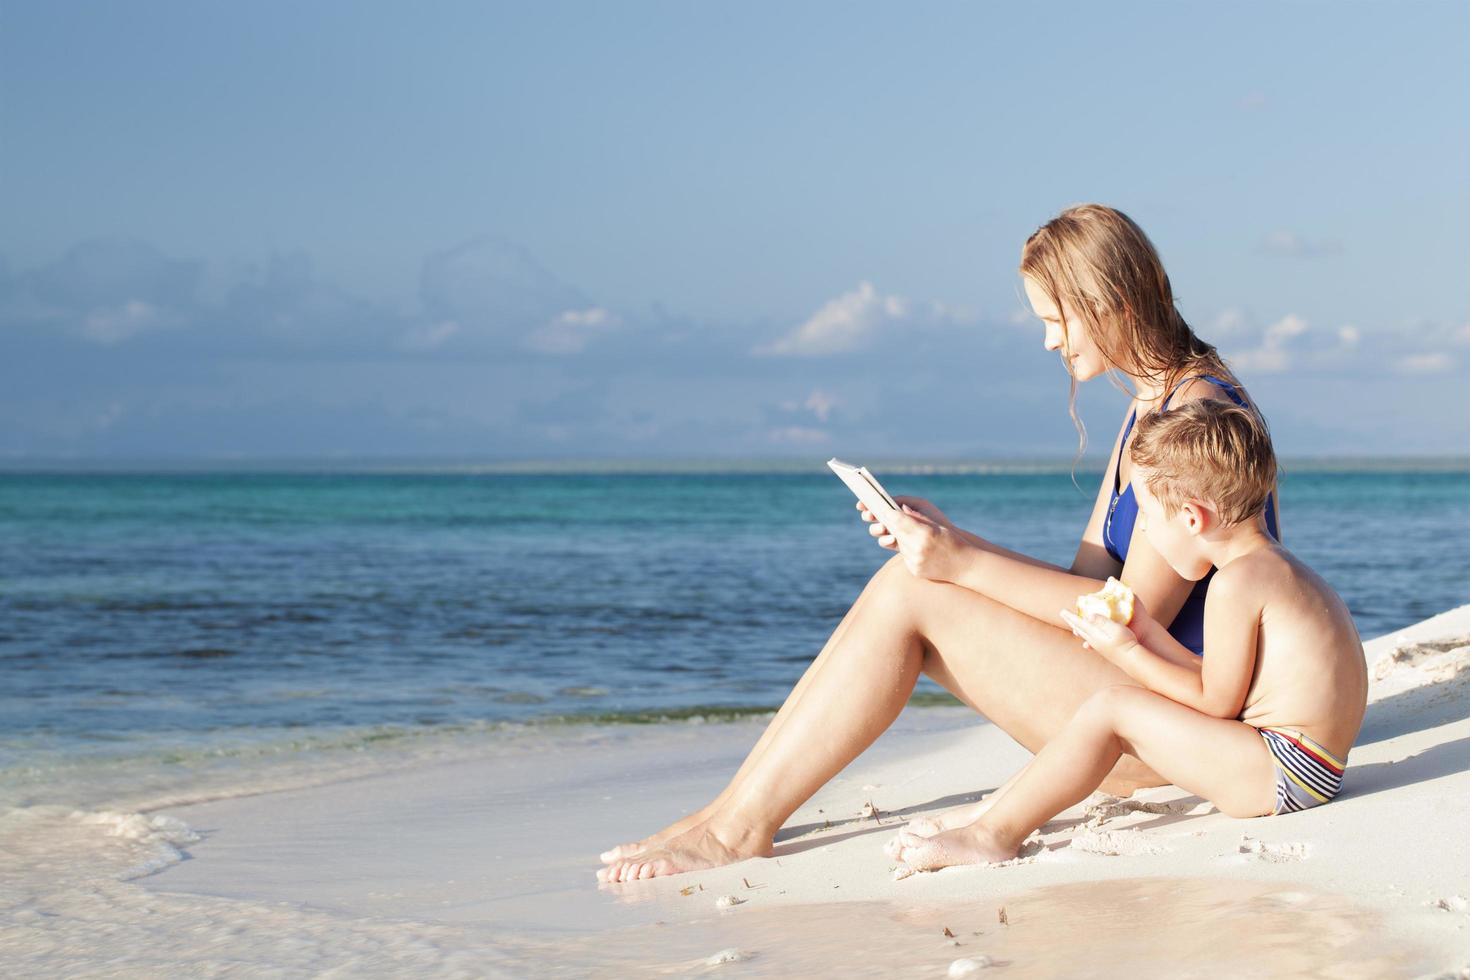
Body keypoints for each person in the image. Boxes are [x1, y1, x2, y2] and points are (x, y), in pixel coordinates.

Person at [598, 203, 1282, 883]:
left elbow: (1130, 615)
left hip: (1179, 732)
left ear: (1110, 303)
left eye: (1055, 319)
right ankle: (729, 814)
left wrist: (962, 564)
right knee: (916, 581)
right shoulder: (1153, 406)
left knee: (908, 593)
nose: (1049, 342)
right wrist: (952, 543)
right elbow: (1086, 589)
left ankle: (737, 828)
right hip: (1141, 704)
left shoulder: (1195, 420)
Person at [888, 400, 1367, 873]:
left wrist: (1127, 650)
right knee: (1119, 703)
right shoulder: (1273, 568)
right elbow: (1220, 679)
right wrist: (1146, 631)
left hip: (1281, 773)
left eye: (1148, 519)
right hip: (1310, 767)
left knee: (1110, 707)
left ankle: (991, 836)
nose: (1148, 534)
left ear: (1193, 518)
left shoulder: (1233, 584)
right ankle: (990, 816)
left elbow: (1217, 702)